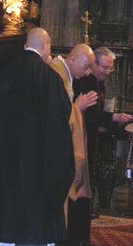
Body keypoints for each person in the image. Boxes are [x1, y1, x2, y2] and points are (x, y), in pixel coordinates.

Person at [0, 28, 74, 246]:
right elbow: (58, 126)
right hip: (35, 168)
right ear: (46, 47)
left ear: (25, 46)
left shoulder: (2, 73)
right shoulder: (50, 78)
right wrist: (62, 170)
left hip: (3, 164)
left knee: (4, 223)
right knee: (35, 229)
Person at [73, 47, 133, 212]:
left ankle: (89, 208)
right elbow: (89, 113)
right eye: (104, 67)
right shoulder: (84, 81)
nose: (108, 72)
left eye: (110, 68)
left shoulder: (99, 83)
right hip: (82, 137)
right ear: (93, 64)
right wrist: (113, 117)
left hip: (94, 137)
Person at [50, 44, 99, 246]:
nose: (88, 72)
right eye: (87, 66)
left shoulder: (65, 74)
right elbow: (55, 112)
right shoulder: (56, 73)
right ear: (73, 59)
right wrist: (77, 108)